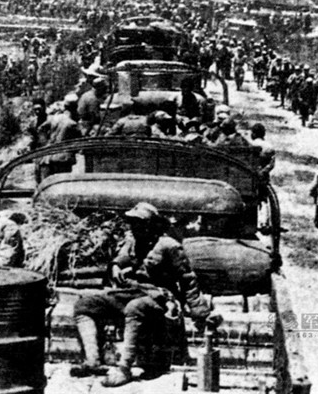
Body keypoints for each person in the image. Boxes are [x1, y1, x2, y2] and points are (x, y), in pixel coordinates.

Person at [72, 203, 212, 386]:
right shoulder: (134, 240)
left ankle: (124, 369)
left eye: (139, 223)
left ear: (151, 225)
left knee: (134, 307)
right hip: (132, 291)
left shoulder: (169, 245)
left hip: (160, 297)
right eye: (132, 222)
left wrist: (199, 312)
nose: (134, 227)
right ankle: (93, 361)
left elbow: (188, 279)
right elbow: (123, 256)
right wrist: (115, 266)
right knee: (84, 304)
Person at [37, 94, 82, 181]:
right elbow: (79, 143)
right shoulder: (72, 124)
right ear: (75, 108)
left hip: (46, 157)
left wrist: (46, 144)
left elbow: (40, 129)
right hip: (62, 160)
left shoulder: (54, 118)